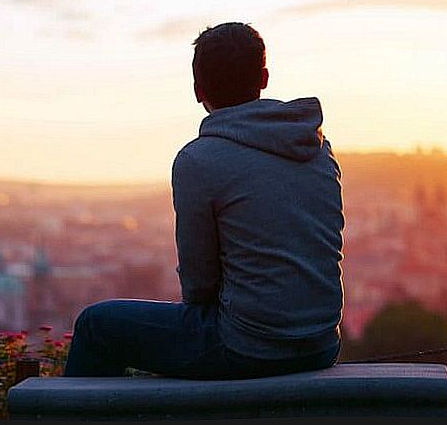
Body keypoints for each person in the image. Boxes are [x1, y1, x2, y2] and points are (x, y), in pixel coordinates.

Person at [63, 22, 345, 379]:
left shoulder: (199, 160)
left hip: (248, 347)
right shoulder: (317, 148)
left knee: (94, 326)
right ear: (264, 77)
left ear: (198, 90)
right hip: (322, 345)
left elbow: (198, 283)